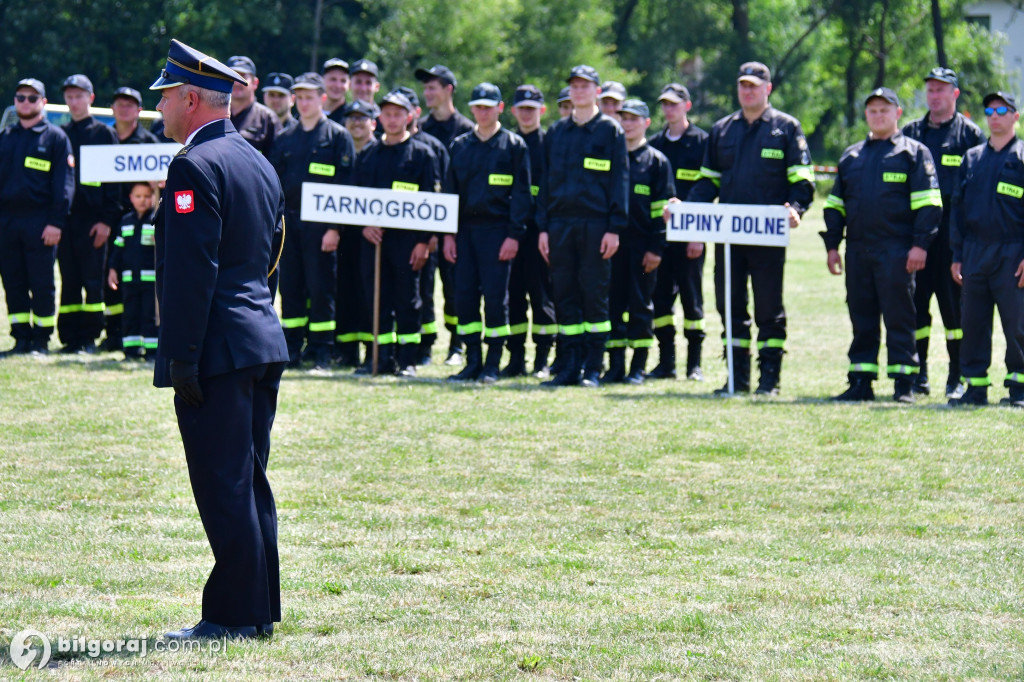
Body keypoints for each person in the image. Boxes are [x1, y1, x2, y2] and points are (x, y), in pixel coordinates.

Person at [149, 38, 289, 640]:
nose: (159, 111)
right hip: (258, 336)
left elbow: (191, 272)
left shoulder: (193, 165)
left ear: (189, 98)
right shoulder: (257, 159)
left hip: (219, 346)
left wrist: (181, 355)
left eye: (164, 99)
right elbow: (272, 253)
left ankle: (233, 615)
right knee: (249, 478)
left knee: (223, 482)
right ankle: (256, 609)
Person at [688, 61, 814, 395]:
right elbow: (707, 183)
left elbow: (802, 182)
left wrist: (796, 209)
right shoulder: (722, 130)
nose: (747, 91)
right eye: (743, 85)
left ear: (767, 89)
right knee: (729, 305)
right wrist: (685, 210)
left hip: (768, 236)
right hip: (728, 238)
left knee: (768, 307)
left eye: (754, 85)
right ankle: (737, 377)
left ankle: (769, 379)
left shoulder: (786, 128)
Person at [822, 87, 941, 403]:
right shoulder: (852, 156)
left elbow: (929, 204)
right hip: (858, 250)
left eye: (884, 110)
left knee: (900, 317)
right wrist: (832, 246)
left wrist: (920, 245)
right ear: (866, 115)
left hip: (897, 250)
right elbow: (835, 205)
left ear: (898, 113)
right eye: (873, 110)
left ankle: (904, 384)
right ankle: (861, 381)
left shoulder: (913, 154)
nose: (878, 115)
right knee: (861, 317)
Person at [537, 65, 628, 387]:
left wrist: (615, 227)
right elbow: (545, 184)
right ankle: (569, 367)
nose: (578, 91)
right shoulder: (557, 133)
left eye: (585, 86)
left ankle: (593, 367)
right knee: (565, 294)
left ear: (597, 92)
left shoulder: (610, 131)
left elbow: (620, 181)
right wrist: (543, 228)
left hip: (596, 225)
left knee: (595, 295)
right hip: (560, 225)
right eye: (574, 86)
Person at [902, 67, 983, 398]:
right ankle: (919, 375)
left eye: (941, 90)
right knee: (916, 308)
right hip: (917, 239)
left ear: (955, 94)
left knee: (955, 313)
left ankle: (956, 375)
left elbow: (978, 193)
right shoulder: (910, 132)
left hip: (953, 240)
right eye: (930, 90)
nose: (934, 96)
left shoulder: (970, 136)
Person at [443, 83, 531, 383]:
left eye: (488, 106)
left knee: (496, 299)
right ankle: (472, 361)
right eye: (478, 106)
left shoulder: (514, 146)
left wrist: (514, 235)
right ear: (472, 109)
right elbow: (450, 194)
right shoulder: (459, 146)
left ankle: (493, 362)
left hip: (498, 232)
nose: (482, 111)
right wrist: (448, 235)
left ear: (500, 108)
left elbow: (522, 195)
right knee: (464, 298)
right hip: (465, 233)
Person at [269, 72, 355, 370]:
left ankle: (321, 350)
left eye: (309, 97)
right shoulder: (284, 138)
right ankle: (292, 347)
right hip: (290, 224)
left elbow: (345, 185)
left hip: (322, 226)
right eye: (299, 97)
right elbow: (275, 185)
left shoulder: (337, 136)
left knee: (321, 289)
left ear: (321, 98)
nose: (304, 103)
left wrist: (334, 228)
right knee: (291, 288)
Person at [354, 89, 440, 377]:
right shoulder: (368, 155)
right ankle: (379, 359)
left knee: (408, 301)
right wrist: (364, 225)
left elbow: (432, 202)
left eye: (398, 114)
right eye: (387, 114)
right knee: (376, 298)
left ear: (410, 116)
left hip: (408, 242)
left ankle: (407, 361)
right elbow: (354, 199)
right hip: (375, 241)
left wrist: (424, 243)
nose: (392, 119)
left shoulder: (423, 155)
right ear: (380, 118)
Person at [948, 92, 1024, 407]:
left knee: (1018, 325)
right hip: (975, 252)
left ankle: (1019, 388)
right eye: (989, 110)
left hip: (1013, 252)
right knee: (974, 323)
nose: (994, 116)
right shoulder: (972, 158)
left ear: (1015, 116)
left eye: (1001, 110)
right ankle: (975, 387)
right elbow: (957, 209)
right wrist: (957, 255)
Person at [0, 78, 74, 356]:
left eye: (32, 98)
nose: (26, 102)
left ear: (43, 102)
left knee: (41, 282)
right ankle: (20, 338)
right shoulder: (6, 138)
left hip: (41, 222)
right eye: (20, 97)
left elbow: (64, 185)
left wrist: (56, 222)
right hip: (7, 222)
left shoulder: (55, 138)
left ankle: (41, 340)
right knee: (13, 281)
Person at [605, 98, 674, 385]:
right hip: (613, 247)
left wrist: (656, 248)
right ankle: (616, 366)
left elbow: (662, 212)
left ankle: (638, 367)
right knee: (612, 306)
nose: (628, 123)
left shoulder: (656, 162)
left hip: (643, 249)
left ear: (646, 123)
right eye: (624, 118)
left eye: (634, 118)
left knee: (641, 306)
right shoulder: (612, 158)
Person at [648, 83, 708, 381]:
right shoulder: (656, 144)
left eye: (675, 104)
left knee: (691, 299)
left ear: (687, 106)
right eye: (665, 104)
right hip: (661, 237)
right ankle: (666, 363)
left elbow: (709, 189)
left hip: (691, 238)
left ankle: (694, 364)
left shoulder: (702, 143)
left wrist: (698, 234)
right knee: (660, 300)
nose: (669, 109)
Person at [415, 63, 474, 365]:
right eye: (425, 88)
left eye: (432, 87)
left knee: (454, 286)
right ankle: (425, 345)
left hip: (457, 224)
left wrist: (448, 229)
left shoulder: (466, 131)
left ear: (449, 90)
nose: (427, 93)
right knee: (424, 286)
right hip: (425, 223)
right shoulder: (422, 128)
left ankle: (457, 343)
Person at [59, 74, 121, 354]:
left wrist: (106, 222)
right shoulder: (60, 134)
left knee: (92, 281)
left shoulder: (103, 133)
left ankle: (90, 337)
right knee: (69, 279)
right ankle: (70, 337)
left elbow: (113, 184)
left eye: (79, 96)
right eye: (70, 96)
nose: (74, 102)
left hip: (93, 221)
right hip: (66, 220)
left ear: (91, 98)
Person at [396, 85, 450, 365]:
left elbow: (437, 194)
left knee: (424, 293)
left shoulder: (431, 148)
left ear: (413, 113)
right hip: (397, 238)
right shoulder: (385, 147)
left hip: (425, 238)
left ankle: (426, 346)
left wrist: (432, 236)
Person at [507, 84, 557, 377]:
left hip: (540, 233)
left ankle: (542, 358)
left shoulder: (549, 144)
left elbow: (551, 190)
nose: (526, 114)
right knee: (513, 297)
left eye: (532, 109)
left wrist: (545, 228)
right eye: (522, 108)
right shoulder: (508, 144)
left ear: (542, 111)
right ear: (513, 111)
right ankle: (515, 359)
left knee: (541, 297)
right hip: (512, 234)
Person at [106, 86, 159, 351]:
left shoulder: (149, 143)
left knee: (147, 305)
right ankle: (114, 337)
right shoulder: (103, 138)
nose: (123, 108)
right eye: (119, 103)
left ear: (139, 110)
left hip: (144, 219)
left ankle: (146, 345)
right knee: (112, 286)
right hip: (109, 219)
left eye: (130, 104)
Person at [335, 99, 380, 368]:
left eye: (362, 118)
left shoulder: (380, 151)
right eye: (351, 117)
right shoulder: (342, 149)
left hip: (371, 235)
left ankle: (370, 351)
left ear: (373, 123)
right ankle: (347, 351)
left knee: (368, 293)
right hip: (344, 234)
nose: (356, 122)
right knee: (345, 291)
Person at [107, 181, 158, 359]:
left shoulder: (156, 221)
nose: (142, 200)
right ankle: (131, 350)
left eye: (146, 196)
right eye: (138, 196)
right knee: (130, 315)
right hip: (129, 279)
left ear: (154, 197)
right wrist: (112, 269)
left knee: (149, 315)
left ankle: (152, 351)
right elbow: (117, 249)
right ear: (131, 198)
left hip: (151, 280)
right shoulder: (126, 221)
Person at [225, 56, 280, 156]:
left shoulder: (268, 119)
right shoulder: (215, 114)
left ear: (255, 83)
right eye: (232, 76)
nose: (237, 82)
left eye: (242, 77)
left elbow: (276, 164)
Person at [322, 58, 350, 125]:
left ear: (349, 84)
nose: (338, 85)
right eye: (333, 79)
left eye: (343, 81)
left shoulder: (351, 118)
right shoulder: (309, 114)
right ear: (322, 80)